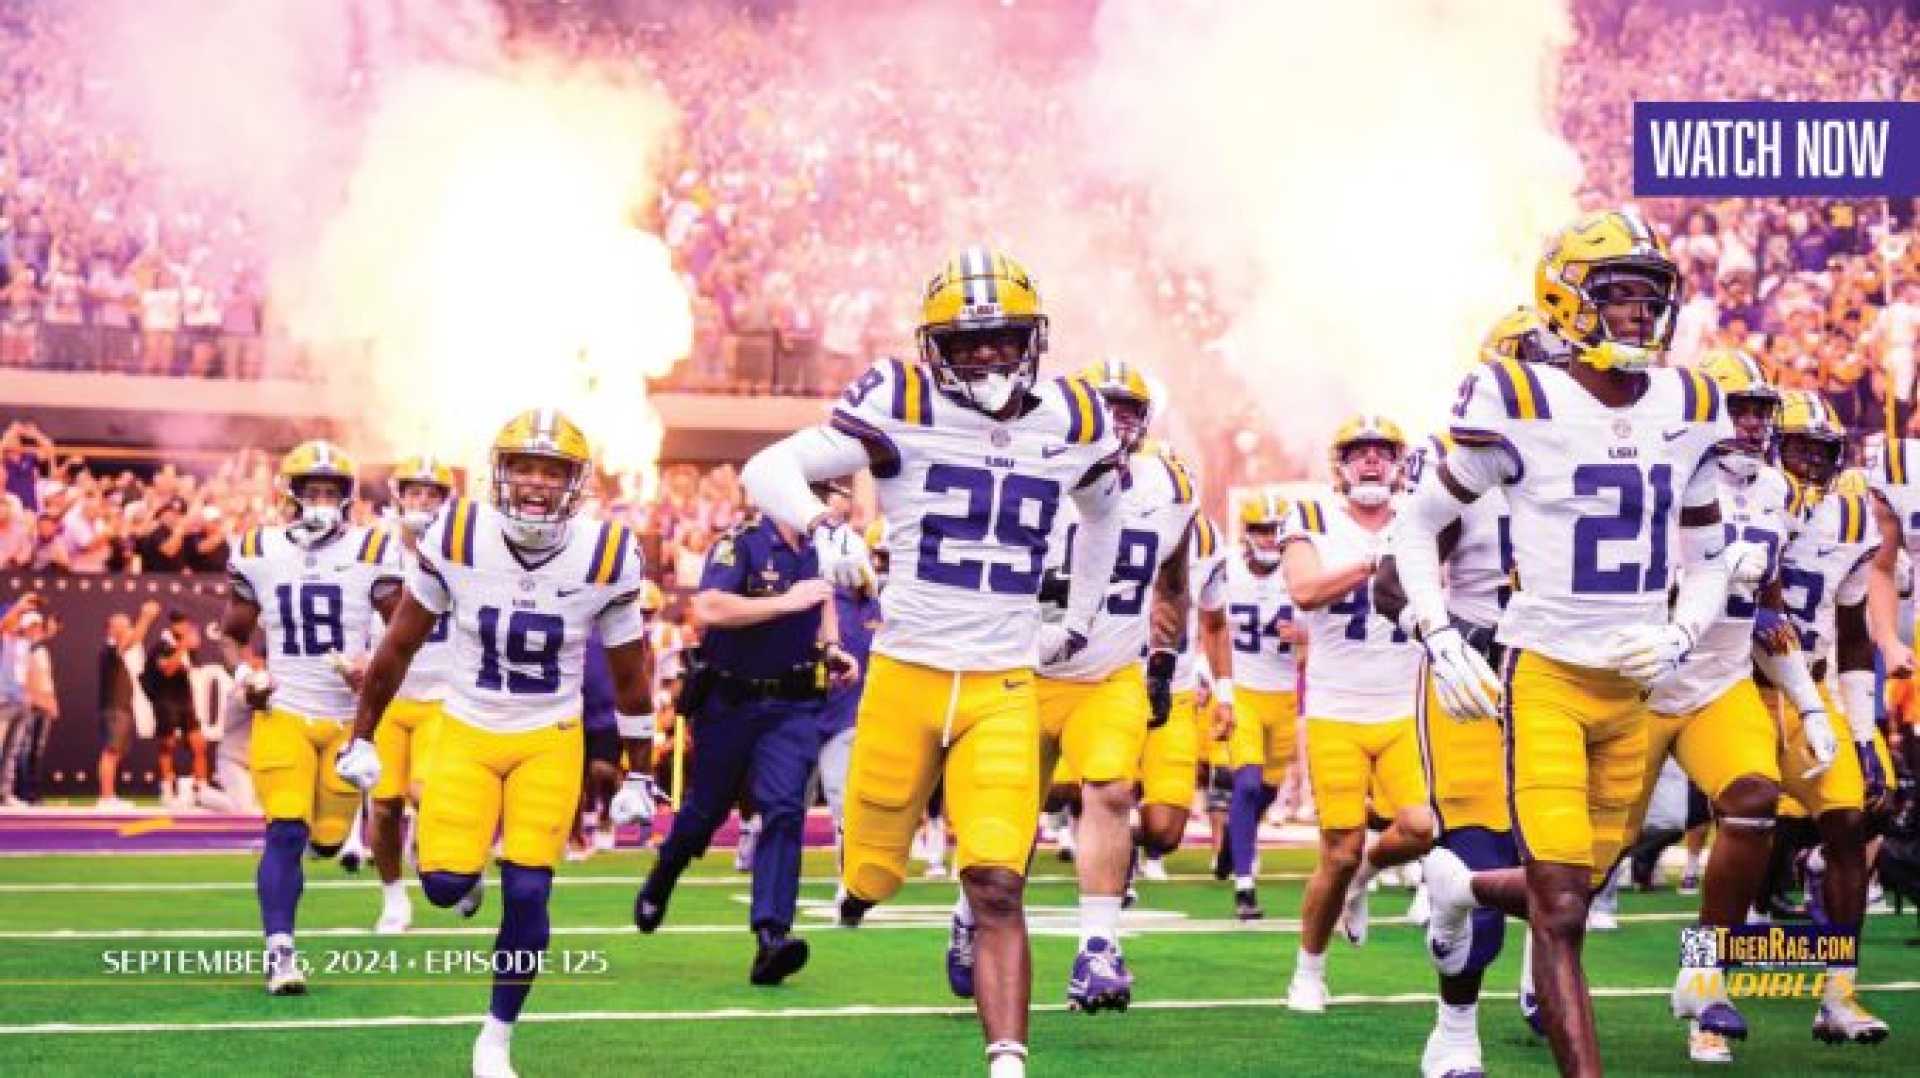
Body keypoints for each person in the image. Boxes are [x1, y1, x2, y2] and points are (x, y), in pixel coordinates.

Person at [740, 245, 1127, 1078]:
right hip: (906, 675)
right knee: (872, 876)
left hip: (1002, 683)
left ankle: (1008, 1061)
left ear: (1034, 338)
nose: (985, 356)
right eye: (965, 342)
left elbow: (1104, 517)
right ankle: (876, 880)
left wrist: (1082, 618)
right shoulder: (899, 398)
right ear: (933, 348)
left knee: (998, 882)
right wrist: (826, 528)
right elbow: (765, 466)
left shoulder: (1076, 416)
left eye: (1001, 339)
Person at [1406, 209, 1742, 1077]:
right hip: (1548, 671)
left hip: (1637, 683)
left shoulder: (1692, 400)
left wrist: (1680, 631)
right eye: (1617, 296)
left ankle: (1462, 886)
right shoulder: (1517, 395)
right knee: (1559, 909)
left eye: (1648, 297)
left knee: (1576, 895)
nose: (1638, 313)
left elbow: (1712, 557)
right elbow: (1415, 527)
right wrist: (1439, 634)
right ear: (1565, 301)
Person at [337, 409, 656, 1078]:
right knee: (448, 886)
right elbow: (398, 643)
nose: (537, 484)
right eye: (525, 468)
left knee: (531, 892)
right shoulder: (457, 532)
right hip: (467, 726)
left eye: (553, 471)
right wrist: (361, 734)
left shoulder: (608, 552)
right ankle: (461, 867)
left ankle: (496, 1037)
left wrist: (637, 774)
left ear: (577, 483)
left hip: (550, 735)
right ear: (500, 473)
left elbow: (632, 676)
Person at [964, 358, 1197, 1014]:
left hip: (1108, 674)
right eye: (1106, 405)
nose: (1117, 420)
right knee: (1006, 821)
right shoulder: (1034, 461)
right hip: (1021, 669)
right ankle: (967, 911)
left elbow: (1172, 580)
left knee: (1113, 788)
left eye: (1129, 410)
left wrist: (1161, 656)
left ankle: (1099, 946)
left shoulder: (1171, 483)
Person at [1625, 349, 1808, 1063]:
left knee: (1754, 800)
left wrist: (1810, 707)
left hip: (1721, 680)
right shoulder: (1659, 474)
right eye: (1741, 407)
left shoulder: (1776, 492)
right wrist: (1698, 579)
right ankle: (1538, 971)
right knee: (1592, 855)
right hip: (1642, 681)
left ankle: (1706, 975)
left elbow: (1769, 603)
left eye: (1763, 407)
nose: (1756, 422)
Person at [1373, 308, 1539, 1076]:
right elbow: (1389, 577)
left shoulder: (1623, 440)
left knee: (1584, 863)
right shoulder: (1459, 459)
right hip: (1480, 667)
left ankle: (1545, 969)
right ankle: (1457, 1027)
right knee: (1487, 853)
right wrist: (1437, 639)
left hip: (1581, 671)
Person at [633, 485, 856, 986]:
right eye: (822, 493)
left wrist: (833, 648)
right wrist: (784, 603)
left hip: (792, 703)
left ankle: (771, 937)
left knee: (783, 809)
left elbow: (821, 603)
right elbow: (709, 607)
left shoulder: (817, 547)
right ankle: (665, 872)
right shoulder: (742, 542)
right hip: (731, 701)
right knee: (704, 812)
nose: (830, 504)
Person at [219, 441, 403, 995]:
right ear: (291, 495)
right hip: (285, 710)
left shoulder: (375, 548)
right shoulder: (258, 548)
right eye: (312, 491)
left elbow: (400, 634)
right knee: (285, 831)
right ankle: (280, 951)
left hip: (349, 720)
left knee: (324, 840)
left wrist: (369, 669)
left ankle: (330, 844)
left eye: (331, 492)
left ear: (346, 498)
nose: (321, 502)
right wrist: (246, 673)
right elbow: (230, 634)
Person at [1279, 414, 1432, 1012]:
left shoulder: (1421, 517)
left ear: (1400, 464)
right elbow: (1305, 591)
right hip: (1336, 707)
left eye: (1382, 452)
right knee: (1334, 852)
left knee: (1421, 829)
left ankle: (1369, 869)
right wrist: (1374, 562)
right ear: (1339, 465)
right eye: (1358, 452)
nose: (1371, 462)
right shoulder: (1311, 516)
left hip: (1402, 705)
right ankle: (1309, 970)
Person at [369, 455, 456, 935]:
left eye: (432, 494)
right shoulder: (377, 552)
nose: (422, 501)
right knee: (384, 807)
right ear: (398, 496)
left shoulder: (461, 553)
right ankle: (393, 897)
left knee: (428, 793)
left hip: (442, 693)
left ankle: (449, 862)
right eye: (415, 492)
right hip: (390, 697)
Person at [1221, 491, 1299, 920]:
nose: (1270, 539)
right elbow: (1209, 620)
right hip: (1245, 690)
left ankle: (1232, 842)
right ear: (1246, 533)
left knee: (1266, 790)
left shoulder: (1300, 568)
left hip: (1285, 694)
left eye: (1276, 530)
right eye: (1262, 530)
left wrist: (1304, 636)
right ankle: (1245, 887)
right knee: (1247, 786)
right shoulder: (1227, 568)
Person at [822, 518, 886, 901]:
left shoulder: (876, 605)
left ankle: (848, 882)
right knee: (780, 808)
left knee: (843, 801)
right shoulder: (818, 601)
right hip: (803, 712)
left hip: (847, 717)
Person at [97, 600, 161, 809]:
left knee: (115, 752)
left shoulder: (116, 650)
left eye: (127, 625)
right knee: (111, 751)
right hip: (114, 707)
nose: (126, 630)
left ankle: (109, 795)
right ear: (111, 629)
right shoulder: (110, 649)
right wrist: (146, 617)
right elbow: (132, 641)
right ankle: (106, 797)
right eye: (121, 626)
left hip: (122, 706)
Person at [143, 611, 209, 809]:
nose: (184, 628)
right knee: (167, 745)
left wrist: (189, 647)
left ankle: (201, 789)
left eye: (186, 623)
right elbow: (169, 670)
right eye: (180, 624)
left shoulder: (188, 648)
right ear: (172, 625)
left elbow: (190, 668)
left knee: (198, 745)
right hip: (165, 701)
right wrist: (183, 646)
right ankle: (167, 790)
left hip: (185, 701)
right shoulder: (160, 647)